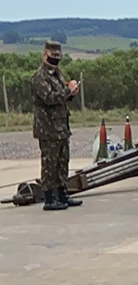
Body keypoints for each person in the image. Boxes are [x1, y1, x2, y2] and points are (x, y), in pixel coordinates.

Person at [30, 40, 81, 212]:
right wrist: (68, 90)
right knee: (49, 163)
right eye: (53, 55)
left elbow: (61, 97)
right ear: (45, 55)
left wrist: (71, 93)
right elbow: (50, 98)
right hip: (47, 127)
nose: (56, 59)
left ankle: (62, 193)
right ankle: (49, 198)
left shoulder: (58, 74)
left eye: (59, 56)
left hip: (61, 126)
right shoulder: (40, 77)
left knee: (62, 161)